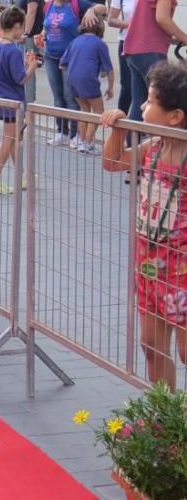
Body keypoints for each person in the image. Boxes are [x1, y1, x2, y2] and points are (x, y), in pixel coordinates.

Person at [101, 61, 187, 388]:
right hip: (149, 265)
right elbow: (112, 162)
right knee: (151, 346)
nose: (142, 105)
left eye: (150, 101)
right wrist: (117, 131)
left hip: (182, 271)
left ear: (175, 117)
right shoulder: (155, 146)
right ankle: (166, 420)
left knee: (185, 352)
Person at [35, 0, 106, 148]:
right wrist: (42, 34)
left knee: (70, 97)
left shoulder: (76, 3)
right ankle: (61, 132)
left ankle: (75, 134)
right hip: (51, 56)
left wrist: (90, 9)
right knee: (58, 97)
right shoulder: (48, 5)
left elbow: (103, 8)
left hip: (71, 59)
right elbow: (48, 26)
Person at [123, 0, 187, 121]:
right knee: (163, 105)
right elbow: (162, 18)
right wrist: (184, 37)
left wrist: (174, 37)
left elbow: (152, 19)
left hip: (134, 51)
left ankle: (130, 147)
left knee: (139, 106)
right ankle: (159, 148)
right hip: (149, 51)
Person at [0, 7, 37, 194]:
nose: (22, 31)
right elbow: (21, 78)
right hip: (13, 100)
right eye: (21, 27)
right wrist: (32, 66)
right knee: (9, 139)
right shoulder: (13, 51)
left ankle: (23, 176)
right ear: (16, 26)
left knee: (14, 138)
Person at [60, 17, 114, 154]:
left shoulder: (74, 41)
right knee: (98, 111)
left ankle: (81, 140)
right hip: (88, 79)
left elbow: (62, 65)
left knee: (84, 109)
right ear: (100, 27)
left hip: (72, 79)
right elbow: (109, 69)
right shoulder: (99, 44)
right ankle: (87, 143)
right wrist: (110, 87)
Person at [108, 0, 148, 115]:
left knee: (146, 86)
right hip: (126, 42)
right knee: (127, 86)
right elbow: (111, 20)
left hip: (147, 44)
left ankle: (143, 125)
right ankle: (120, 122)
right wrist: (130, 24)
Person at [13, 0, 45, 103]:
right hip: (26, 37)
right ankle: (24, 101)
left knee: (29, 68)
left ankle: (28, 104)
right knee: (24, 67)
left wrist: (25, 33)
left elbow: (31, 12)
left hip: (30, 38)